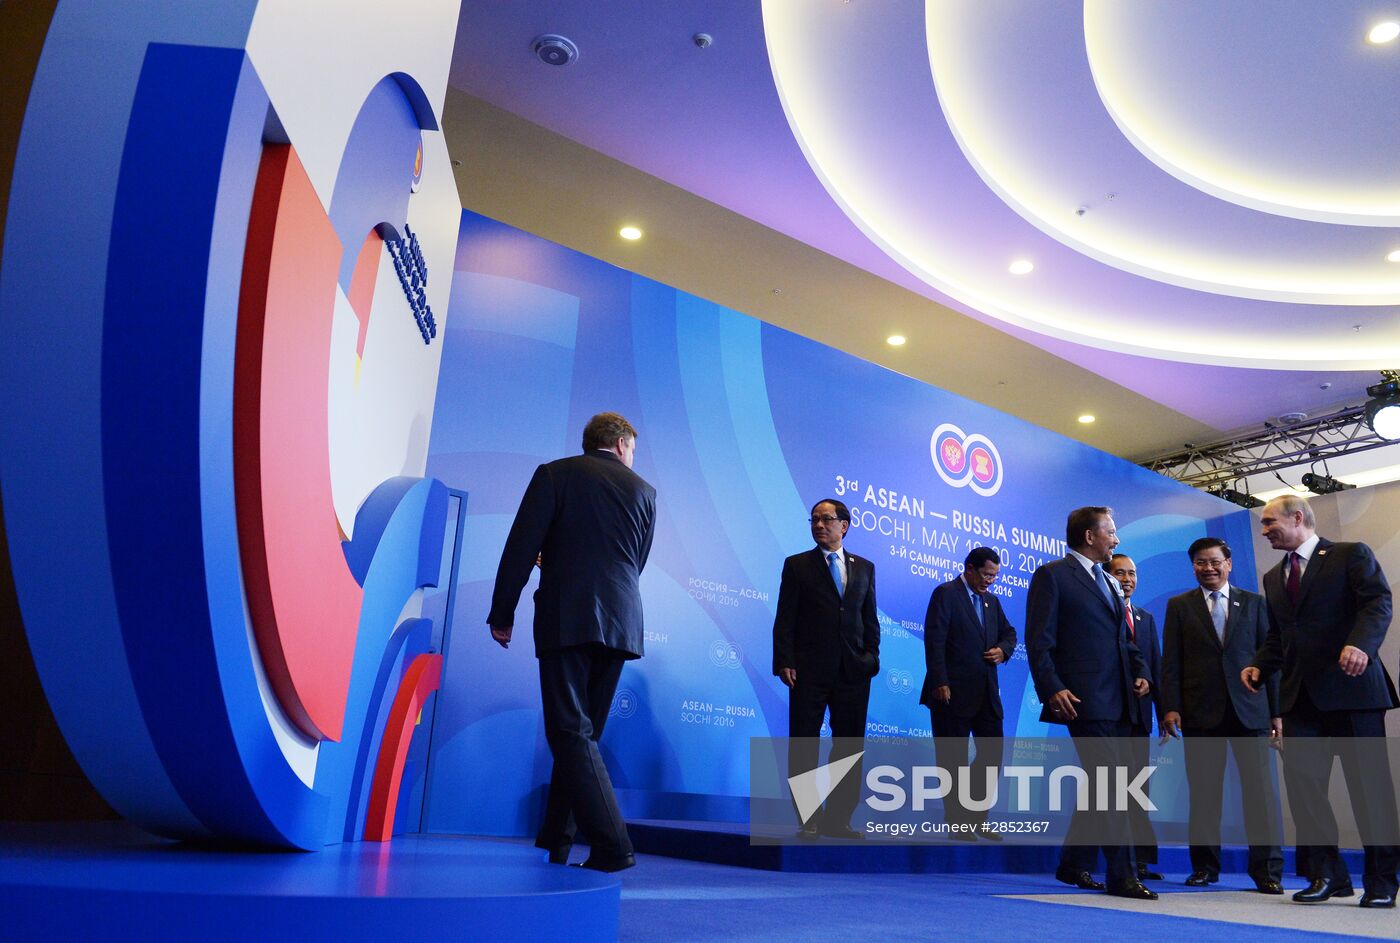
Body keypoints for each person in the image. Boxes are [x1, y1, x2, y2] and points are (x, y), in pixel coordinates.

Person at [487, 412, 657, 873]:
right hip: (622, 621)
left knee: (570, 732)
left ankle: (613, 846)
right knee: (583, 736)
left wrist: (503, 613)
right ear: (621, 444)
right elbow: (632, 562)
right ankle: (557, 841)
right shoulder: (645, 491)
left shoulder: (555, 474)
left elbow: (520, 547)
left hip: (568, 616)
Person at [1243, 494, 1399, 908]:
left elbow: (1377, 603)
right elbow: (1280, 635)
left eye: (1269, 522)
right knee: (1304, 791)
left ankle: (1383, 881)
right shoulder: (1274, 578)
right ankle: (1329, 875)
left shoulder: (1349, 554)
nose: (1264, 531)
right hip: (1301, 699)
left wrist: (1360, 644)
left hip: (1353, 693)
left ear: (1298, 518)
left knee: (1370, 791)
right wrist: (1260, 664)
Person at [1026, 506, 1156, 900]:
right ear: (1089, 536)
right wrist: (1052, 688)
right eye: (1111, 532)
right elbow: (1040, 640)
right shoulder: (1053, 575)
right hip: (1082, 699)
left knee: (1103, 785)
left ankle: (1073, 863)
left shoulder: (1109, 581)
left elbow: (1124, 641)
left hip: (1120, 701)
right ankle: (1123, 876)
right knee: (1113, 784)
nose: (1116, 539)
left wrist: (1142, 670)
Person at [1159, 537, 1283, 894]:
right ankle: (1204, 869)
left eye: (1214, 561)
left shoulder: (1257, 604)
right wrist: (1171, 706)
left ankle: (1267, 871)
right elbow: (1172, 663)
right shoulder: (1179, 606)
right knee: (1204, 795)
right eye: (1200, 562)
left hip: (1251, 711)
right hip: (1201, 713)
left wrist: (1277, 712)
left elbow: (1270, 662)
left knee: (1260, 796)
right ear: (1193, 566)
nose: (1208, 568)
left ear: (1229, 563)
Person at [773, 499, 880, 839]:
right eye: (814, 519)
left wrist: (871, 657)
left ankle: (839, 819)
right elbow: (785, 619)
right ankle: (809, 819)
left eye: (826, 519)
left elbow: (869, 618)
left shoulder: (864, 567)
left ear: (844, 525)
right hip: (808, 670)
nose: (819, 524)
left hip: (854, 672)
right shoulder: (797, 565)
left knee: (848, 746)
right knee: (804, 743)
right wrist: (784, 660)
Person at [920, 546, 1017, 840]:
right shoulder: (946, 593)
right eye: (987, 574)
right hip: (950, 691)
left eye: (995, 576)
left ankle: (977, 817)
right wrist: (940, 681)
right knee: (953, 760)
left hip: (986, 693)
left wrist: (1003, 650)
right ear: (970, 568)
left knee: (992, 754)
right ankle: (957, 822)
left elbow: (1010, 634)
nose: (991, 580)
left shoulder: (992, 603)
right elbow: (934, 639)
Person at [1108, 552, 1165, 882]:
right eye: (1119, 573)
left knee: (1137, 789)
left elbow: (1155, 664)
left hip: (1139, 716)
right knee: (1108, 788)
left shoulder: (1144, 618)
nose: (1126, 579)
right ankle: (1112, 857)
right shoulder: (1103, 613)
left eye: (1131, 573)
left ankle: (1140, 860)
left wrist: (1163, 708)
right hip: (1111, 713)